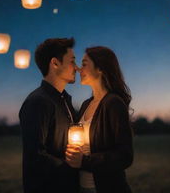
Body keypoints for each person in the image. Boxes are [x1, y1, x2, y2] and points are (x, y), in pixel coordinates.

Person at [65, 46, 134, 193]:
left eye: (84, 64)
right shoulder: (86, 104)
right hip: (82, 187)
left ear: (100, 68)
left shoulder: (113, 103)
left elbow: (125, 156)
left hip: (106, 188)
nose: (78, 69)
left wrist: (84, 161)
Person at [19, 37, 79, 193]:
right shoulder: (38, 102)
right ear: (55, 63)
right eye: (72, 61)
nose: (77, 68)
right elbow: (35, 156)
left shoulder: (64, 100)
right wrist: (73, 165)